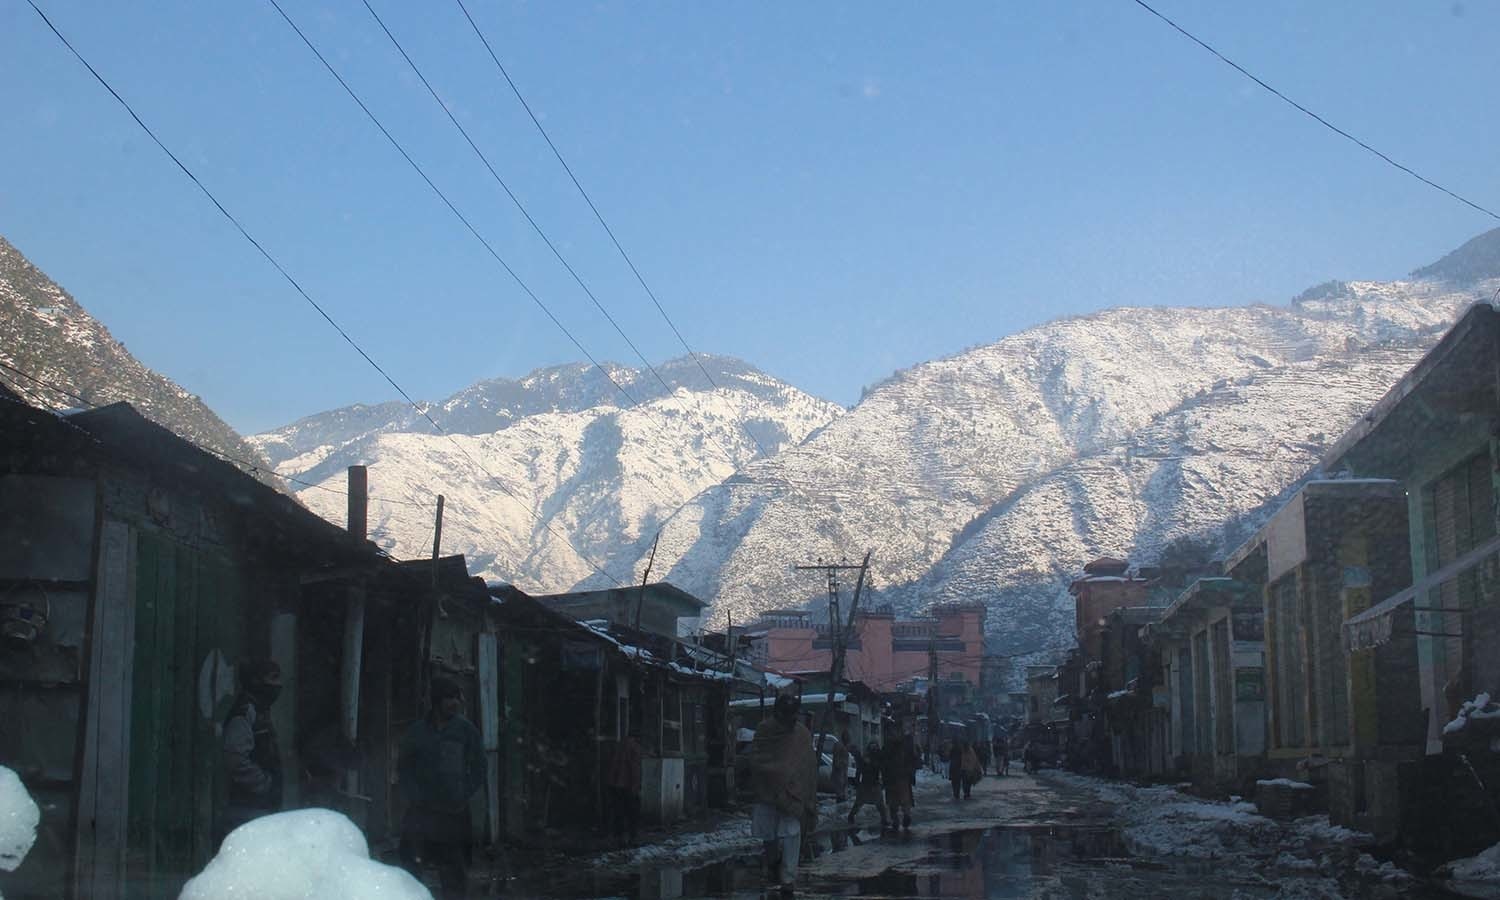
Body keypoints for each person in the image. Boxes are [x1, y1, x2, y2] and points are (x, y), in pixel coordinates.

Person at [399, 676, 485, 900]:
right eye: (449, 698)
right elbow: (404, 767)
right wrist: (414, 795)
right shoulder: (416, 732)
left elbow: (479, 768)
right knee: (412, 867)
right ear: (437, 701)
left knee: (454, 871)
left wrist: (462, 793)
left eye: (457, 698)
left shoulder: (467, 731)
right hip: (422, 812)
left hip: (453, 814)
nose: (455, 703)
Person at [751, 694, 818, 895]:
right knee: (768, 833)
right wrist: (776, 771)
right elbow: (756, 759)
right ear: (777, 712)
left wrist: (806, 793)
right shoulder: (765, 729)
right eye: (785, 714)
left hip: (793, 793)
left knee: (791, 833)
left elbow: (808, 765)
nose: (790, 718)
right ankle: (773, 863)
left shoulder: (802, 734)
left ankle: (788, 880)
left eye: (793, 714)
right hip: (767, 792)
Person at [217, 657, 284, 849]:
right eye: (273, 678)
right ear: (256, 681)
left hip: (257, 805)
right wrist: (263, 783)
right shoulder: (246, 711)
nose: (278, 685)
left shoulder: (259, 711)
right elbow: (234, 757)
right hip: (248, 807)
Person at [606, 727, 643, 845]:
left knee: (619, 811)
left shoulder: (618, 745)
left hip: (615, 784)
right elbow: (635, 770)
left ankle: (619, 837)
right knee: (632, 812)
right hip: (628, 785)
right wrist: (636, 787)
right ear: (638, 737)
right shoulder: (635, 748)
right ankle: (632, 838)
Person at [846, 741, 887, 829]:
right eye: (872, 747)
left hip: (871, 784)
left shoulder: (875, 758)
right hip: (867, 784)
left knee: (879, 804)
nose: (874, 749)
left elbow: (881, 769)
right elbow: (860, 769)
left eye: (875, 747)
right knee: (860, 803)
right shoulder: (866, 758)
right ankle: (851, 817)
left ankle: (884, 819)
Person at [881, 734, 917, 830]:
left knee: (893, 801)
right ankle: (905, 815)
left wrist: (884, 778)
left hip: (892, 779)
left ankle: (896, 819)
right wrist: (911, 774)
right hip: (902, 778)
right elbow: (912, 761)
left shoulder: (887, 748)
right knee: (904, 799)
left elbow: (883, 764)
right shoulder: (905, 748)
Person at [831, 731, 851, 802]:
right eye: (847, 738)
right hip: (839, 770)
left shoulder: (844, 746)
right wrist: (839, 765)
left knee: (843, 787)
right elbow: (836, 759)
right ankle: (840, 799)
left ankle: (842, 798)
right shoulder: (838, 745)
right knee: (840, 789)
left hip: (843, 770)